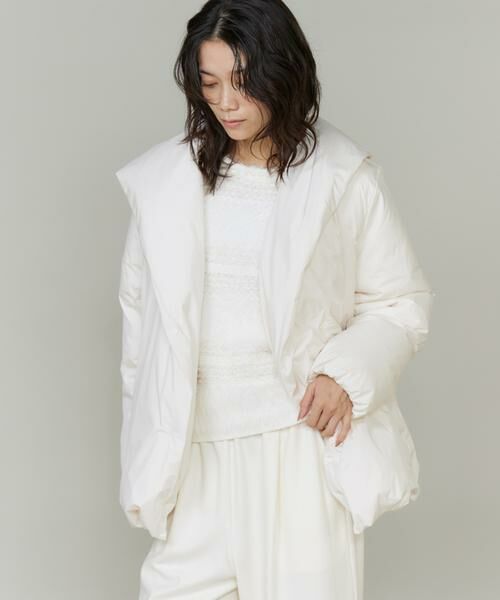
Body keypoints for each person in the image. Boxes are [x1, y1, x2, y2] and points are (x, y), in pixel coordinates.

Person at [115, 1, 435, 598]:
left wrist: (346, 374)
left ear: (282, 73)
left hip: (298, 452)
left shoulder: (343, 177)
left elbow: (400, 301)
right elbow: (140, 340)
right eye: (210, 84)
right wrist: (145, 456)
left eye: (242, 83)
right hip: (195, 459)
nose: (226, 103)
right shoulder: (163, 185)